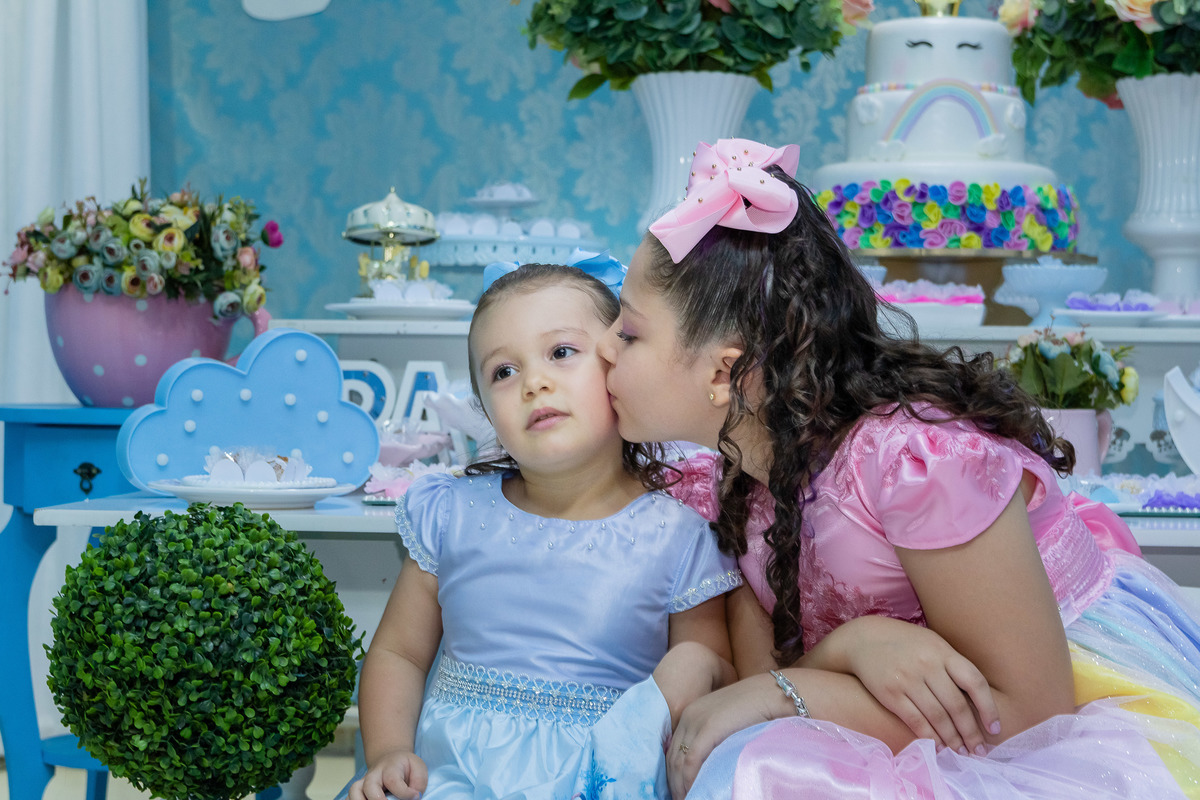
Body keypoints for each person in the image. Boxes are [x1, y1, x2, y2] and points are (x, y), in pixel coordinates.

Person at [598, 138, 1200, 798]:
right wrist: (851, 647)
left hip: (1059, 699)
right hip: (915, 708)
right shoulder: (733, 483)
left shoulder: (917, 462)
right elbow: (764, 680)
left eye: (628, 332)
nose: (604, 348)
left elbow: (1031, 713)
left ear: (723, 373)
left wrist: (796, 685)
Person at [347, 263, 742, 800]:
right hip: (451, 778)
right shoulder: (451, 514)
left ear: (617, 368)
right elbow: (400, 654)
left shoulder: (677, 538)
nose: (534, 382)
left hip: (603, 782)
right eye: (503, 372)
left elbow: (709, 673)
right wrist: (390, 751)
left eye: (561, 352)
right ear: (484, 410)